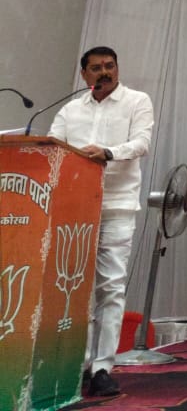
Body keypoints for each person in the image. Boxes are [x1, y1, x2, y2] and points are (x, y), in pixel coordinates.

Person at [50, 46, 154, 399]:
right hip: (75, 208)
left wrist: (108, 153)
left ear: (117, 69)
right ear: (84, 75)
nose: (104, 72)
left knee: (110, 287)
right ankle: (76, 363)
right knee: (74, 287)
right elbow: (53, 148)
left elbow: (141, 144)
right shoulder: (69, 110)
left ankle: (102, 368)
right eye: (96, 68)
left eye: (110, 66)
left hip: (117, 207)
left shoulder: (137, 101)